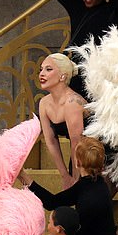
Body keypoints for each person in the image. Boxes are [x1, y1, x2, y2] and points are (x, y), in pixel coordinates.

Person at [37, 54, 88, 189]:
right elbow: (51, 140)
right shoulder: (44, 103)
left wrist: (76, 178)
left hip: (94, 152)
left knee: (81, 190)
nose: (41, 74)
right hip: (79, 150)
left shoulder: (72, 102)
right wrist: (65, 175)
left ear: (63, 76)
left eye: (48, 69)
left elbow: (77, 142)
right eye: (41, 69)